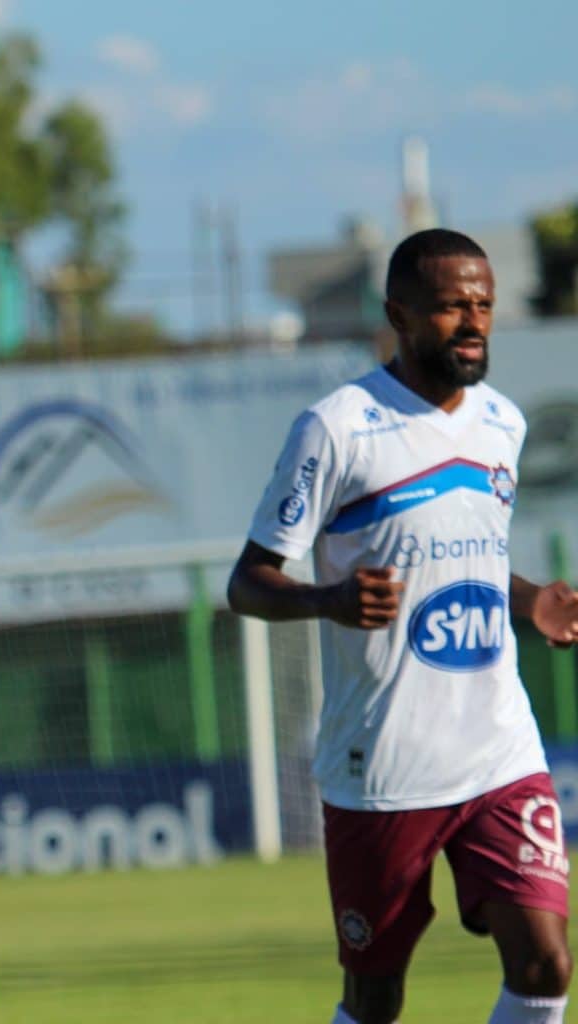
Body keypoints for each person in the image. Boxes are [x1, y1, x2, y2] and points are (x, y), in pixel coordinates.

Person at [228, 228, 578, 1024]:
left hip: (498, 749)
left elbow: (465, 558)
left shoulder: (503, 425)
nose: (473, 321)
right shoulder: (338, 428)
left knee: (545, 963)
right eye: (452, 306)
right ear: (399, 314)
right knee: (376, 998)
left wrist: (527, 602)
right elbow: (248, 581)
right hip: (380, 766)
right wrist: (327, 601)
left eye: (483, 305)